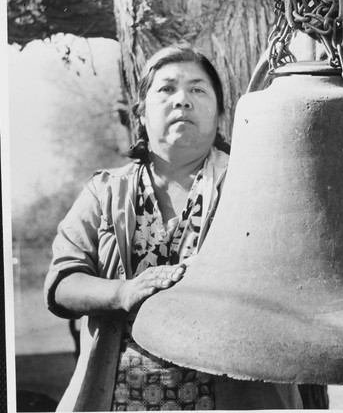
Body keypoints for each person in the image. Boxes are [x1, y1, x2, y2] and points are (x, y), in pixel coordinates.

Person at [44, 43, 304, 411]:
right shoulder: (104, 191)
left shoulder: (256, 185)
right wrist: (122, 292)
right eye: (166, 89)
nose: (182, 100)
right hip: (119, 397)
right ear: (141, 114)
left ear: (219, 114)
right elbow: (62, 283)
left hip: (233, 395)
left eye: (197, 89)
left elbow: (290, 281)